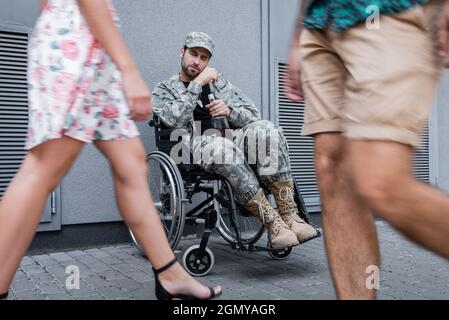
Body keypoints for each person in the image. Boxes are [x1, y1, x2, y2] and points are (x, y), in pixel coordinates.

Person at [0, 0, 221, 300]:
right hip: (77, 42)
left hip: (91, 45)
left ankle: (169, 273)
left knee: (130, 164)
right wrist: (128, 69)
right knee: (43, 168)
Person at [287, 0, 449, 299]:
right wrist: (298, 35)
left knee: (381, 183)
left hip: (391, 10)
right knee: (332, 171)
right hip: (321, 21)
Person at [152, 32, 318, 251]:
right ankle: (273, 223)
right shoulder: (164, 89)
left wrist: (229, 111)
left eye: (204, 58)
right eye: (193, 54)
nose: (197, 61)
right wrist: (197, 84)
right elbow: (174, 119)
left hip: (227, 139)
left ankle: (290, 216)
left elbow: (253, 114)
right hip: (189, 145)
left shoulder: (219, 85)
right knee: (224, 147)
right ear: (182, 52)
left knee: (268, 130)